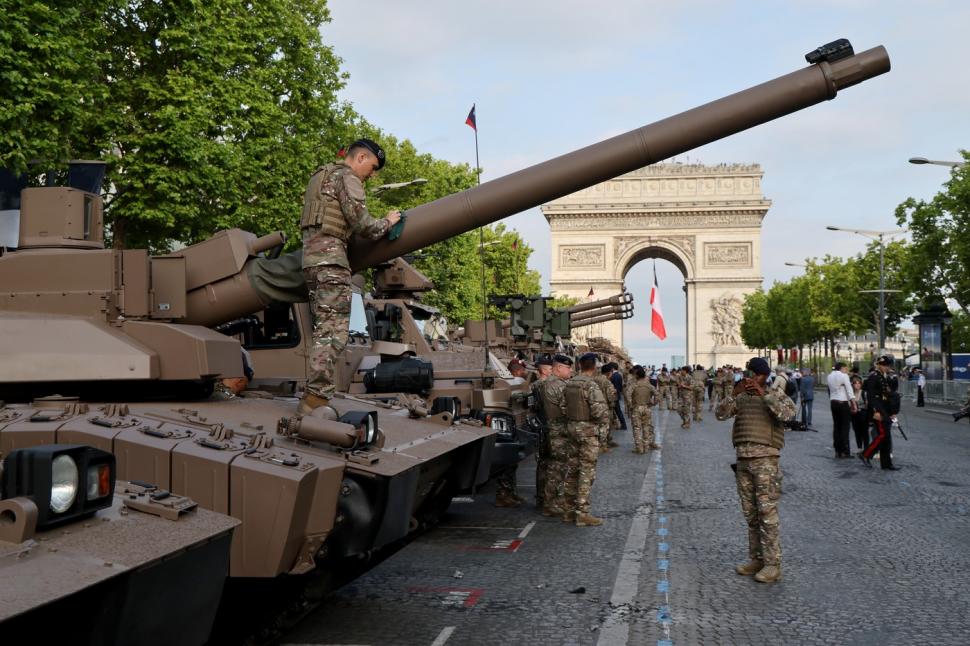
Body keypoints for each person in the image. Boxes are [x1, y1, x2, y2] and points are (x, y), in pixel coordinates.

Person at [298, 139, 402, 415]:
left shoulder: (320, 176)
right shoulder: (347, 178)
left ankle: (315, 393)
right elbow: (363, 224)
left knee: (324, 328)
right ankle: (315, 398)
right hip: (331, 262)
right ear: (361, 157)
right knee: (334, 333)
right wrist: (388, 222)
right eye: (373, 166)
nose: (373, 173)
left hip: (311, 262)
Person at [715, 357, 796, 584]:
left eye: (755, 374)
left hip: (766, 461)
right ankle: (757, 558)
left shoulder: (776, 395)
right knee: (750, 515)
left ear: (764, 375)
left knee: (767, 514)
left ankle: (773, 564)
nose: (751, 378)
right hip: (743, 462)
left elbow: (788, 416)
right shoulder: (741, 397)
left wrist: (764, 394)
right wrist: (733, 393)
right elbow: (720, 414)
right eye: (749, 374)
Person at [563, 353, 610, 526]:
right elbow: (600, 413)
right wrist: (601, 432)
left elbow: (562, 406)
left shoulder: (569, 384)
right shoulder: (591, 385)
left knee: (572, 470)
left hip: (572, 428)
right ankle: (582, 513)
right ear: (595, 366)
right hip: (588, 432)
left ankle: (568, 511)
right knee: (586, 471)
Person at [539, 354, 573, 518]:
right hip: (559, 430)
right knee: (557, 467)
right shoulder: (558, 385)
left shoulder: (546, 383)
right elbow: (567, 409)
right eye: (568, 367)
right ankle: (551, 503)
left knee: (551, 466)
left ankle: (550, 500)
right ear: (558, 368)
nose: (570, 370)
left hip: (550, 428)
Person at [861, 355, 901, 470]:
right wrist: (876, 411)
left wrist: (892, 411)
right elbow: (871, 396)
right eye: (884, 365)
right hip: (878, 410)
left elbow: (886, 395)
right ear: (878, 365)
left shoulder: (883, 376)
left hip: (884, 409)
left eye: (887, 365)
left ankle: (886, 463)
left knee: (886, 438)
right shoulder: (874, 376)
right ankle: (866, 454)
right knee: (883, 435)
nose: (886, 367)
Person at [531, 356, 554, 511]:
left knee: (542, 465)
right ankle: (548, 500)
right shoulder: (547, 385)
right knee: (550, 465)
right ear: (545, 370)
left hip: (539, 426)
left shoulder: (533, 386)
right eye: (551, 369)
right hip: (548, 426)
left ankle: (541, 498)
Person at [630, 366, 660, 453]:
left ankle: (639, 448)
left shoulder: (634, 385)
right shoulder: (649, 385)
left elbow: (627, 395)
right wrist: (653, 403)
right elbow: (657, 395)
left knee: (637, 428)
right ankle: (646, 447)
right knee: (646, 427)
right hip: (647, 408)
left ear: (637, 376)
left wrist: (630, 405)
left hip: (636, 407)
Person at [827, 362, 854, 458]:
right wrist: (854, 404)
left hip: (833, 402)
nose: (847, 370)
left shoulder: (829, 376)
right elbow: (850, 390)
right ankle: (845, 451)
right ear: (842, 368)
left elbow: (829, 390)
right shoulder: (844, 376)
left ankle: (837, 450)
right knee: (845, 428)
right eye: (846, 368)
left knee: (836, 427)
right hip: (843, 403)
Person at [595, 364, 619, 452]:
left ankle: (606, 442)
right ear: (609, 373)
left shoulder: (594, 379)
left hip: (595, 406)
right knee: (605, 426)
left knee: (598, 425)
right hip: (605, 407)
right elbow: (610, 396)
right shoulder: (607, 382)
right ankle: (603, 446)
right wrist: (614, 399)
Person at [849, 376, 869, 454]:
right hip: (854, 414)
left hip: (863, 414)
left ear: (861, 384)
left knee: (864, 432)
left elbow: (867, 404)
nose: (857, 385)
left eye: (859, 383)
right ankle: (859, 447)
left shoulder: (864, 393)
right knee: (857, 431)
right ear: (853, 385)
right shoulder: (851, 393)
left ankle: (867, 447)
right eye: (855, 383)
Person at [608, 362, 627, 430]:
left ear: (612, 368)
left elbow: (615, 387)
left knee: (618, 411)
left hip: (614, 396)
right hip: (617, 395)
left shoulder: (614, 376)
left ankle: (623, 425)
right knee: (617, 411)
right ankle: (622, 425)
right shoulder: (618, 375)